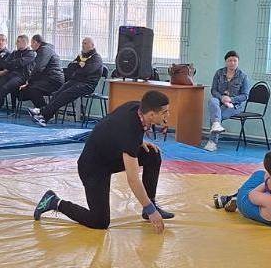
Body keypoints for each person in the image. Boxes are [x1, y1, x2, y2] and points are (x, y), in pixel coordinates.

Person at [34, 90, 174, 232]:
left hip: (109, 157)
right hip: (93, 168)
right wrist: (151, 210)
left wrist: (138, 142)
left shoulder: (137, 108)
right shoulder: (129, 131)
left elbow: (115, 127)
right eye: (165, 112)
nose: (168, 115)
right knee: (99, 221)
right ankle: (54, 202)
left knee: (152, 154)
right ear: (151, 114)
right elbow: (133, 180)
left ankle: (149, 205)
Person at [29, 36, 103, 126]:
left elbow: (86, 71)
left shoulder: (96, 58)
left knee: (65, 94)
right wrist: (79, 66)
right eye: (82, 43)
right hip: (75, 81)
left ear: (92, 45)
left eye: (85, 43)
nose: (82, 45)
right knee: (58, 93)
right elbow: (70, 68)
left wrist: (77, 68)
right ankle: (44, 116)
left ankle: (42, 113)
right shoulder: (81, 56)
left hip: (87, 85)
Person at [0, 34, 36, 117]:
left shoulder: (31, 53)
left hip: (21, 76)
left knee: (5, 87)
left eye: (18, 42)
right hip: (10, 74)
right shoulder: (14, 53)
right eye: (17, 41)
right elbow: (5, 64)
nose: (16, 43)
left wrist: (13, 63)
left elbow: (21, 62)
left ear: (25, 42)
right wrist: (14, 63)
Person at [204, 50, 251, 152]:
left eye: (235, 60)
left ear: (238, 62)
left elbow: (245, 96)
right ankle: (216, 125)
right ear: (226, 62)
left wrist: (231, 99)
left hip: (234, 105)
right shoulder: (219, 73)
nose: (232, 63)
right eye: (230, 60)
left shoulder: (243, 76)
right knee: (213, 101)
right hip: (219, 100)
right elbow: (213, 90)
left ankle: (212, 142)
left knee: (216, 115)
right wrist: (222, 98)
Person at [18, 34, 64, 112]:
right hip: (50, 79)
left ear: (35, 42)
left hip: (54, 81)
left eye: (32, 43)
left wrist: (28, 82)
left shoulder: (44, 50)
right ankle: (43, 110)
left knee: (31, 89)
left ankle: (45, 112)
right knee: (27, 89)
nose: (31, 46)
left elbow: (38, 68)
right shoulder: (46, 49)